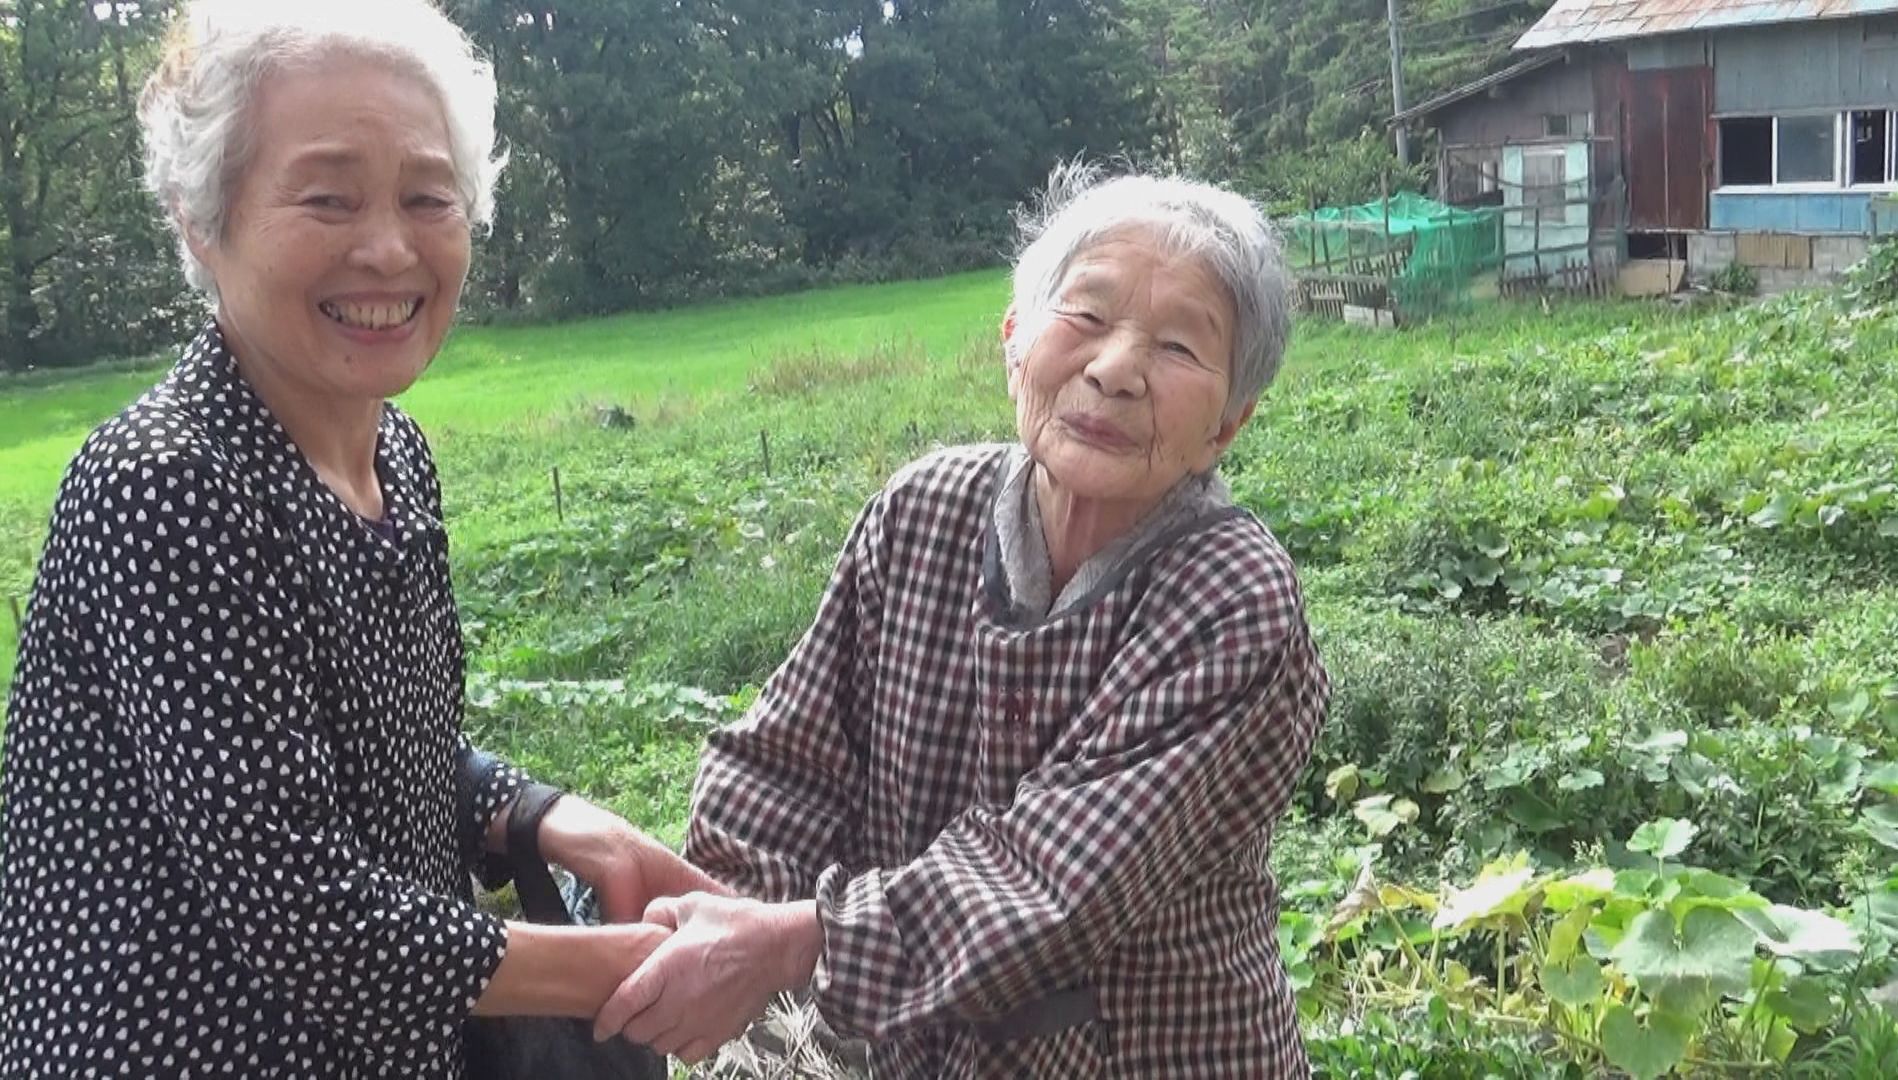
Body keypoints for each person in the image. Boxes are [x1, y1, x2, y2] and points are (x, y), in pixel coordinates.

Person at [0, 2, 716, 1075]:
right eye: (328, 198)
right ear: (202, 219)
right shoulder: (165, 484)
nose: (388, 249)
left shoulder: (396, 455)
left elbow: (374, 760)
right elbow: (303, 908)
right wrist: (637, 968)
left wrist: (544, 816)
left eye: (427, 197)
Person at [594, 166, 1331, 1075]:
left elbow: (1054, 883)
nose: (1115, 370)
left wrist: (789, 946)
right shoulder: (925, 509)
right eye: (1086, 315)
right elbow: (785, 762)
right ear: (1015, 342)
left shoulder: (1234, 594)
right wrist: (721, 909)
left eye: (1179, 347)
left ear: (1228, 423)